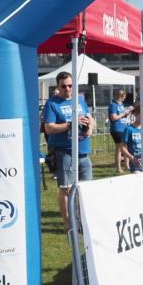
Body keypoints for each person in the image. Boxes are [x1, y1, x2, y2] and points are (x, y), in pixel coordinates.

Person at [42, 71, 94, 230]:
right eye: (63, 86)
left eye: (70, 85)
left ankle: (83, 221)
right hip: (65, 153)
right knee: (66, 189)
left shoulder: (79, 100)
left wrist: (90, 127)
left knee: (86, 190)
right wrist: (71, 124)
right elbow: (49, 128)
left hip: (83, 151)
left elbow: (89, 116)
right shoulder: (52, 104)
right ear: (58, 87)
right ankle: (68, 223)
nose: (67, 89)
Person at [108, 89, 132, 173]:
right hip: (117, 129)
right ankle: (118, 168)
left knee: (126, 147)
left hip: (123, 127)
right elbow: (113, 117)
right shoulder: (113, 105)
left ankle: (127, 165)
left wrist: (127, 114)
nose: (124, 99)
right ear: (119, 96)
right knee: (119, 148)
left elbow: (121, 116)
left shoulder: (121, 104)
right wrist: (123, 114)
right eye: (123, 97)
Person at [123, 105, 143, 173]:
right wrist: (132, 158)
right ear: (135, 114)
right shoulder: (129, 129)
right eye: (142, 116)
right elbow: (122, 147)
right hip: (135, 165)